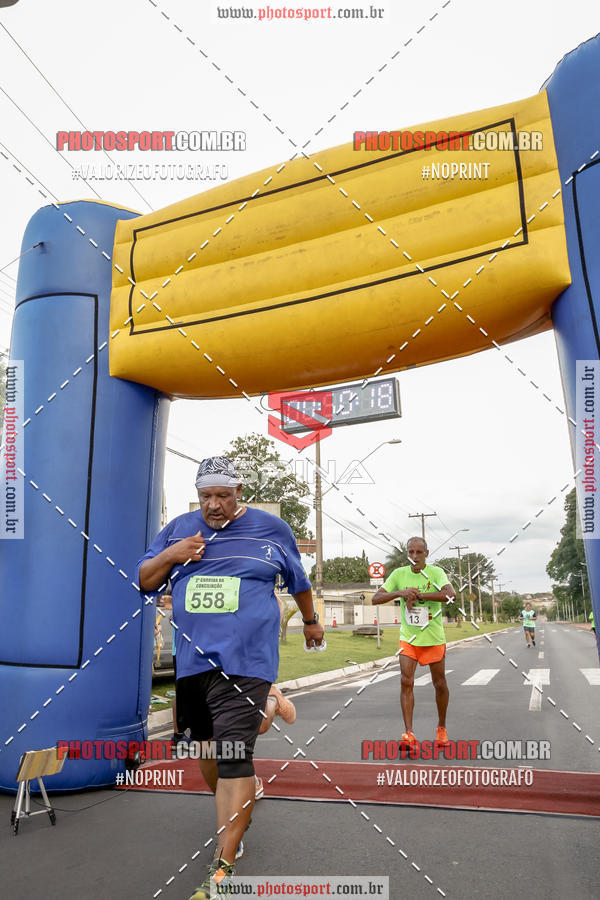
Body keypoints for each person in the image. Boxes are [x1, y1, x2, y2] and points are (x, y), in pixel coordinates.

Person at [138, 456, 323, 899]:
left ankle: (224, 863)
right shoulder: (179, 527)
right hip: (193, 663)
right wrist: (173, 553)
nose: (214, 505)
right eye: (206, 496)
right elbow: (145, 580)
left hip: (248, 660)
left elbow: (297, 580)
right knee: (208, 754)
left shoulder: (270, 530)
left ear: (239, 491)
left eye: (223, 495)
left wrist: (312, 619)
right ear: (197, 494)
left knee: (234, 753)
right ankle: (270, 712)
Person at [372, 536, 456, 745]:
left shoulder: (436, 572)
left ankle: (441, 729)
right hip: (408, 638)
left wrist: (421, 596)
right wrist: (400, 592)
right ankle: (409, 734)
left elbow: (451, 595)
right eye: (410, 552)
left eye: (419, 552)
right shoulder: (399, 574)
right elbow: (376, 598)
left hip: (433, 637)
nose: (414, 556)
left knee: (440, 684)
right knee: (406, 681)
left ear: (426, 553)